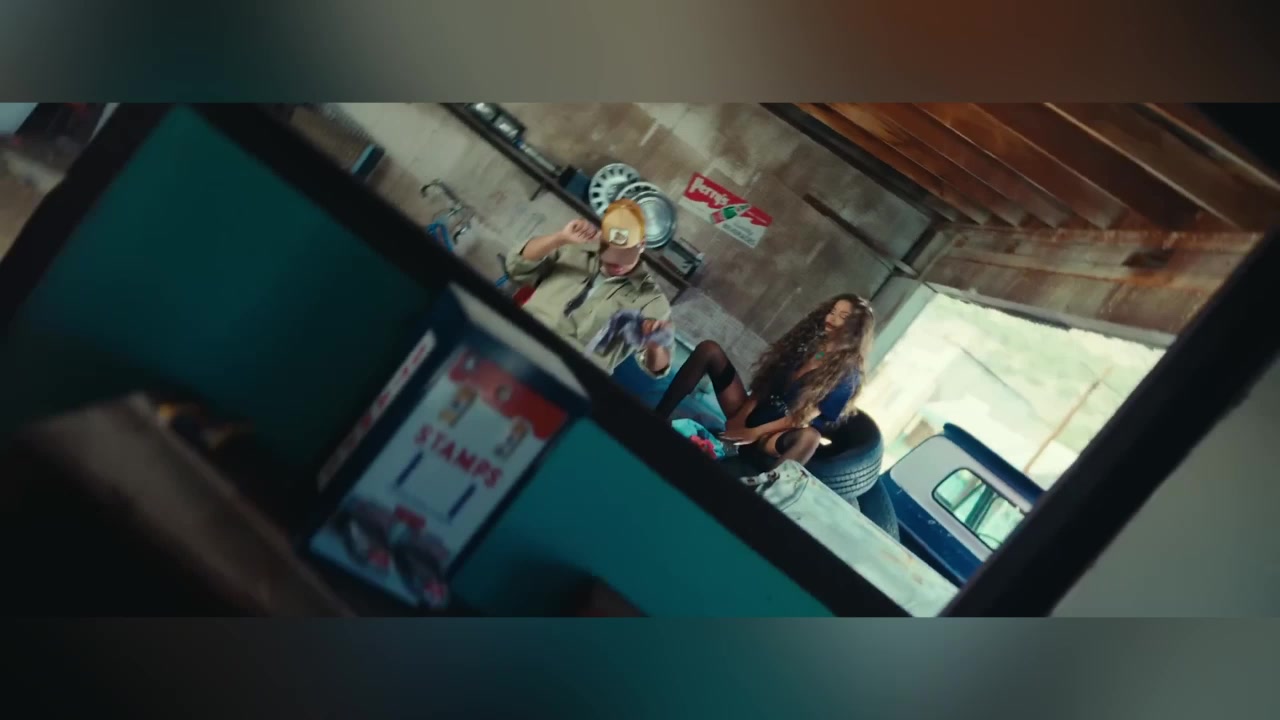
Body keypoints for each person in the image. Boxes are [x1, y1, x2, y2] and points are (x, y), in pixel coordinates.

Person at [655, 294, 874, 468]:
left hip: (773, 435)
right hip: (755, 412)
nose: (831, 319)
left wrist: (754, 433)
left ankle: (767, 489)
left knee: (811, 437)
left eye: (842, 317)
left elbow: (799, 419)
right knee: (709, 350)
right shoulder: (811, 346)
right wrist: (742, 418)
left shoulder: (848, 376)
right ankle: (657, 418)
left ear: (855, 329)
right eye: (832, 312)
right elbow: (766, 385)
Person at [504, 199, 673, 377]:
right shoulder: (572, 250)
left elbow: (658, 369)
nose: (617, 263)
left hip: (573, 373)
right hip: (522, 338)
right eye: (611, 253)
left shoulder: (652, 299)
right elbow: (516, 267)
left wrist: (655, 346)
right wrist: (559, 238)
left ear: (642, 244)